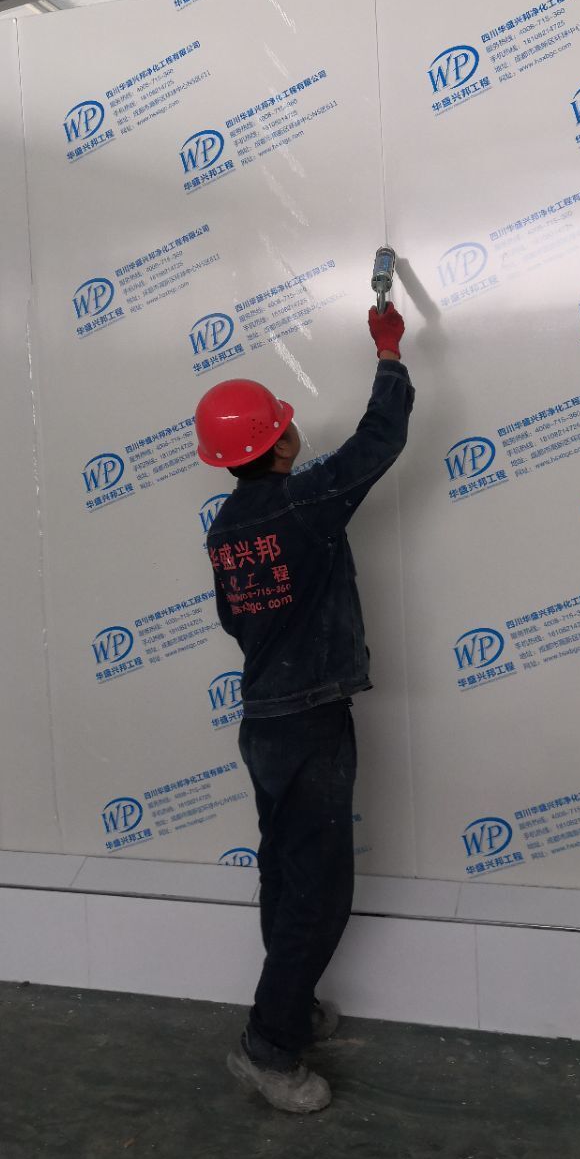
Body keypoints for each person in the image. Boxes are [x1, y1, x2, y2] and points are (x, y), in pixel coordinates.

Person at [194, 303, 413, 1113]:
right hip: (311, 720)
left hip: (264, 722)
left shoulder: (225, 530)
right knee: (319, 889)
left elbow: (236, 621)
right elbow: (377, 443)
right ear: (280, 442)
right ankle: (270, 1045)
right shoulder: (307, 503)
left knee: (285, 874)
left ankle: (289, 1007)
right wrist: (389, 353)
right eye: (286, 424)